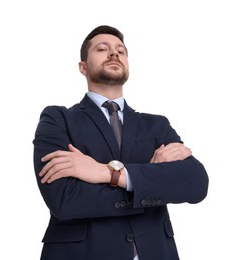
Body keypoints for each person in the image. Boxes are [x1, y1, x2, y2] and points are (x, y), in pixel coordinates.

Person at [33, 25, 209, 260]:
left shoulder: (157, 125)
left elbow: (195, 184)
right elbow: (65, 200)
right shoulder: (57, 119)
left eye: (121, 51)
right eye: (102, 49)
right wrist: (150, 179)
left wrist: (106, 173)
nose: (114, 53)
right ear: (83, 67)